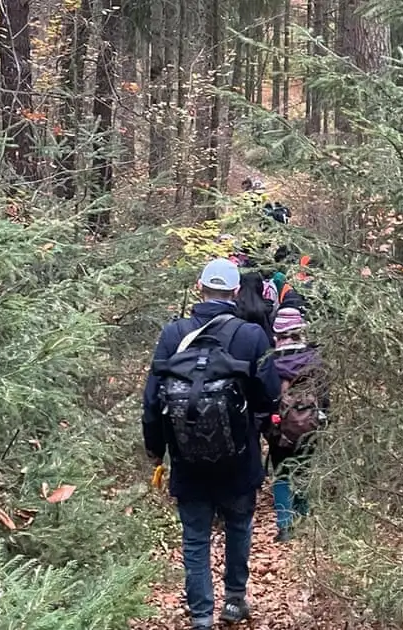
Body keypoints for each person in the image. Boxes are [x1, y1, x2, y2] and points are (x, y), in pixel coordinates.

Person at [142, 258, 281, 629]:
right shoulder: (251, 336)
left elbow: (152, 400)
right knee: (239, 526)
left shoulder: (173, 334)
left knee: (195, 538)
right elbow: (270, 394)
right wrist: (257, 425)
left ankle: (201, 616)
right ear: (235, 292)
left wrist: (156, 449)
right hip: (240, 457)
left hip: (186, 458)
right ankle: (234, 600)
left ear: (199, 287)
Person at [265, 307, 329, 542]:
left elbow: (265, 397)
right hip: (310, 425)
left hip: (279, 428)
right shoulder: (315, 360)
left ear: (277, 334)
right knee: (304, 469)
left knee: (282, 472)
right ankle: (303, 516)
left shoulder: (270, 362)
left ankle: (284, 526)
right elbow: (324, 397)